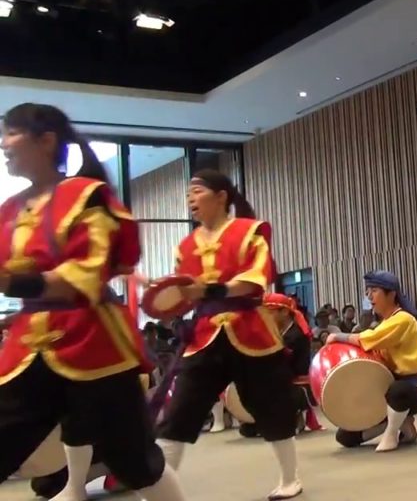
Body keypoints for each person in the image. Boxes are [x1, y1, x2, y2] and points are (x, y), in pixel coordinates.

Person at [0, 103, 185, 501]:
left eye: (11, 133)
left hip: (94, 345)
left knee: (134, 460)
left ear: (46, 141)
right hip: (29, 348)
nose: (3, 143)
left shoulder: (86, 197)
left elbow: (83, 277)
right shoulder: (10, 210)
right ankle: (73, 488)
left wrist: (13, 282)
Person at [153, 169, 302, 500]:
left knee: (271, 405)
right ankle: (159, 488)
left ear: (221, 196)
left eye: (197, 192)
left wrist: (210, 289)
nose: (190, 199)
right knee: (180, 410)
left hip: (251, 330)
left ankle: (290, 477)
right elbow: (183, 293)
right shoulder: (185, 247)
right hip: (204, 335)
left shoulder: (250, 232)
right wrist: (164, 297)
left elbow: (256, 279)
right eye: (188, 194)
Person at [329, 271, 417, 452]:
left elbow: (369, 338)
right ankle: (403, 423)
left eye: (374, 290)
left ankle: (391, 433)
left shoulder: (403, 319)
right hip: (386, 390)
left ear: (391, 294)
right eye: (368, 291)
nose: (369, 296)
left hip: (411, 389)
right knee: (345, 436)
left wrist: (338, 336)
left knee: (397, 391)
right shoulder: (385, 322)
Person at [239, 293, 322, 438]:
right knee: (247, 429)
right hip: (279, 381)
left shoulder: (296, 335)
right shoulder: (276, 331)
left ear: (284, 312)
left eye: (270, 312)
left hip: (296, 385)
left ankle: (294, 415)